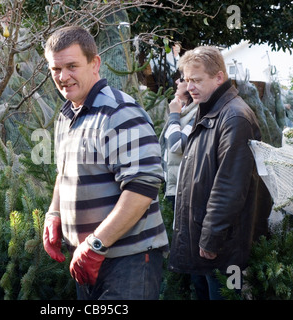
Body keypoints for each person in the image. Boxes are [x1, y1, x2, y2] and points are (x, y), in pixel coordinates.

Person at [42, 26, 169, 300]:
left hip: (129, 263)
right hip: (86, 259)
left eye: (72, 66)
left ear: (95, 63)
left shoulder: (120, 112)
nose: (63, 77)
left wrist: (96, 245)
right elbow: (63, 174)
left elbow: (142, 188)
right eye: (56, 69)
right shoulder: (67, 115)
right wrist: (54, 214)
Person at [168, 46, 272, 300]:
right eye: (187, 80)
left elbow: (229, 186)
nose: (190, 86)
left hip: (221, 248)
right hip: (203, 243)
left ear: (219, 77)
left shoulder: (234, 118)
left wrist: (211, 239)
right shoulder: (209, 108)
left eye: (197, 80)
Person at [159, 74, 198, 210]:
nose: (176, 81)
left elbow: (176, 146)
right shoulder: (185, 110)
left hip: (181, 190)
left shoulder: (197, 113)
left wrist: (174, 114)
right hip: (171, 186)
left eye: (181, 79)